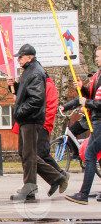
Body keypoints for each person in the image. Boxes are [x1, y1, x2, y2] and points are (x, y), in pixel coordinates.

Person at [10, 44, 65, 202]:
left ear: (30, 57)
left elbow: (36, 98)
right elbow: (26, 93)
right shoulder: (30, 71)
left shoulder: (34, 72)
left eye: (20, 57)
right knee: (26, 153)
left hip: (31, 119)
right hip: (27, 118)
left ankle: (31, 185)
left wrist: (20, 112)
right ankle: (53, 178)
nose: (18, 60)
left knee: (29, 154)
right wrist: (14, 86)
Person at [65, 45, 101, 204]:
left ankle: (83, 194)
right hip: (96, 120)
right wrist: (83, 89)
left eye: (99, 56)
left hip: (99, 122)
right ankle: (83, 193)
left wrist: (86, 102)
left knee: (90, 155)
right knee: (91, 155)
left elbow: (98, 103)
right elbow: (94, 95)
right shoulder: (98, 75)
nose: (96, 58)